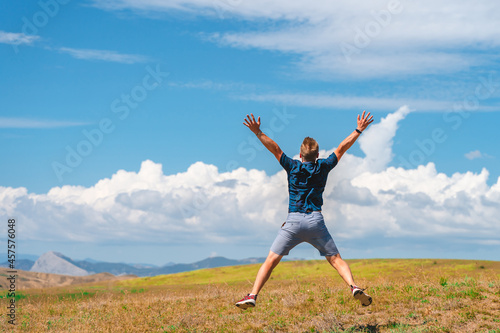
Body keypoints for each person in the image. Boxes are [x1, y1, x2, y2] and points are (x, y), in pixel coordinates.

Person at [235, 111, 375, 310]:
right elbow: (342, 148)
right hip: (315, 221)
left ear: (300, 155)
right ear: (317, 155)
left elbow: (275, 148)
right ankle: (354, 286)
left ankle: (253, 295)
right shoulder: (324, 166)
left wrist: (258, 132)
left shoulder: (292, 166)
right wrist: (359, 129)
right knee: (335, 259)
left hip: (293, 221)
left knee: (271, 260)